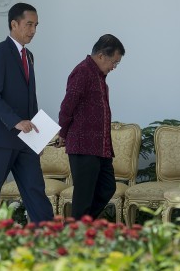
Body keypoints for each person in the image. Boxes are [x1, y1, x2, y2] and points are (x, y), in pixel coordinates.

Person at [0, 3, 54, 223]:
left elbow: (31, 99)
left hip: (27, 138)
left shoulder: (29, 55)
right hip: (2, 135)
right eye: (29, 24)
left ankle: (48, 238)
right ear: (14, 24)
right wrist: (15, 121)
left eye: (36, 25)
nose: (33, 30)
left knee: (35, 189)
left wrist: (37, 138)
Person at [56, 34, 125, 220]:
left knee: (108, 186)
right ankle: (77, 232)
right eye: (114, 62)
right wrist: (63, 132)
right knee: (84, 195)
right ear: (101, 56)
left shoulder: (99, 75)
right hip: (83, 145)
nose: (113, 67)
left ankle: (81, 224)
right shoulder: (83, 72)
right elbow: (67, 105)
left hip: (100, 147)